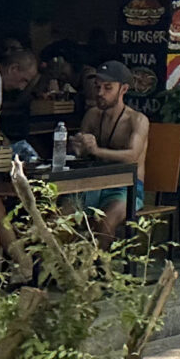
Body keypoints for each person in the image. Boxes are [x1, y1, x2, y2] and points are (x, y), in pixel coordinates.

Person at [68, 59, 152, 241]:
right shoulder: (92, 115)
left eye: (108, 88)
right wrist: (77, 146)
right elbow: (80, 153)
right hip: (92, 183)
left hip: (126, 187)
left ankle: (99, 269)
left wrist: (96, 150)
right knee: (57, 217)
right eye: (97, 87)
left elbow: (132, 156)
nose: (100, 93)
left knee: (105, 223)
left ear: (123, 89)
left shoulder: (137, 120)